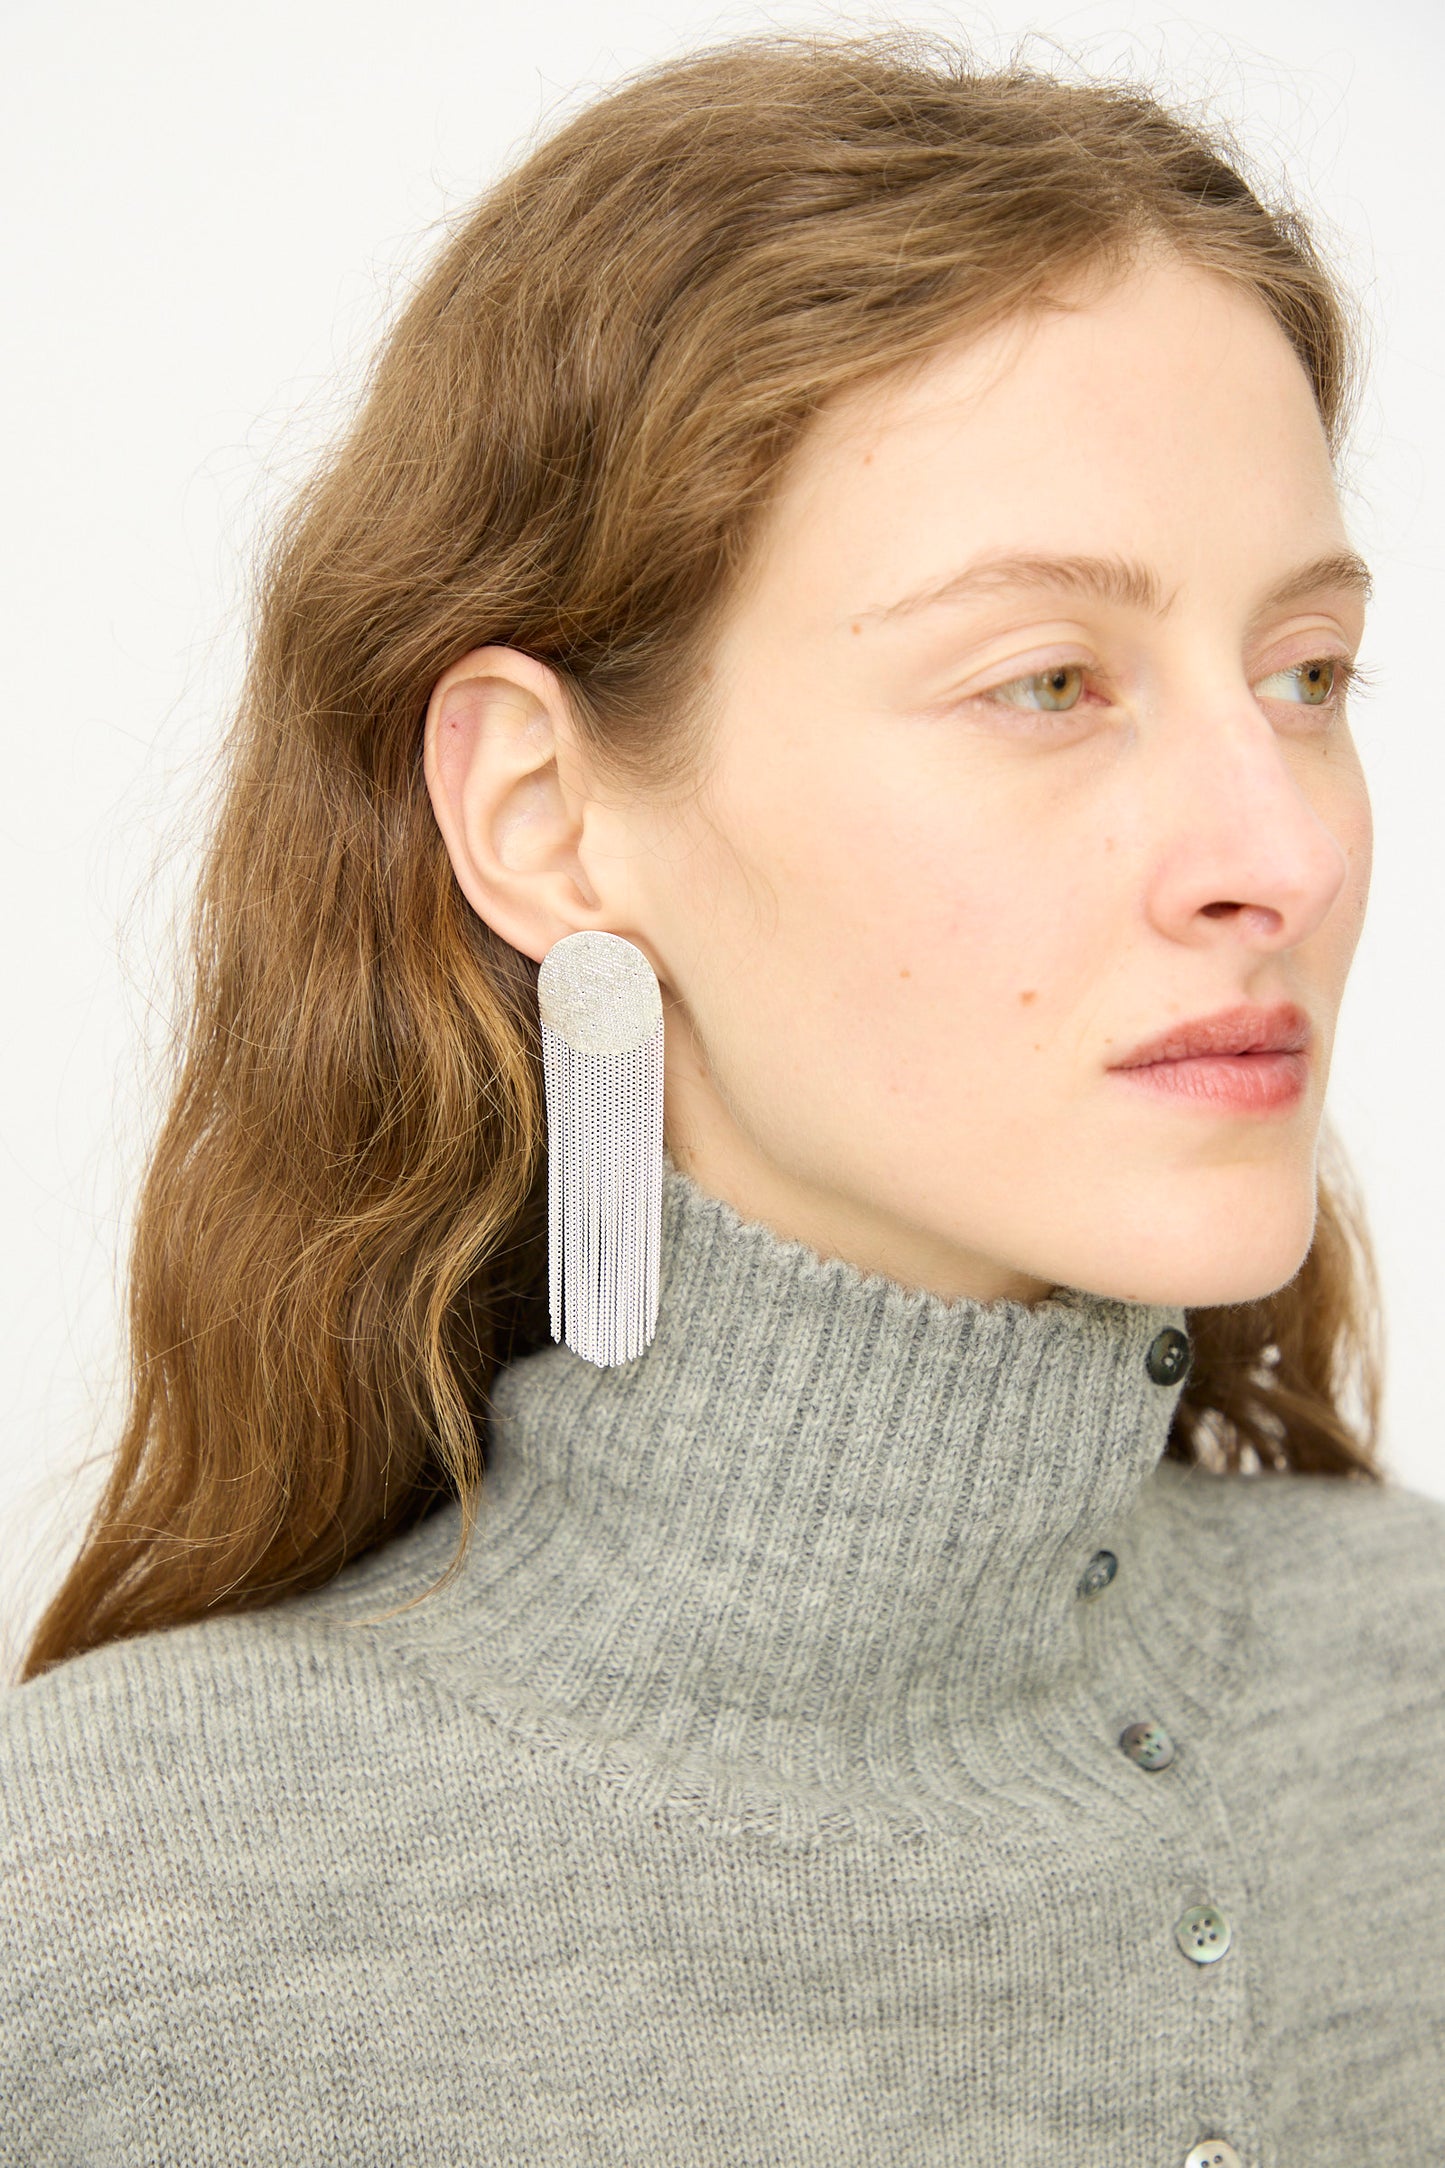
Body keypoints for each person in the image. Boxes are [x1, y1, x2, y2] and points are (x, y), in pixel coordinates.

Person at [3, 27, 1440, 2166]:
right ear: (547, 813)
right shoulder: (125, 1933)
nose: (1289, 852)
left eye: (1304, 675)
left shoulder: (1409, 1691)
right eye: (1048, 680)